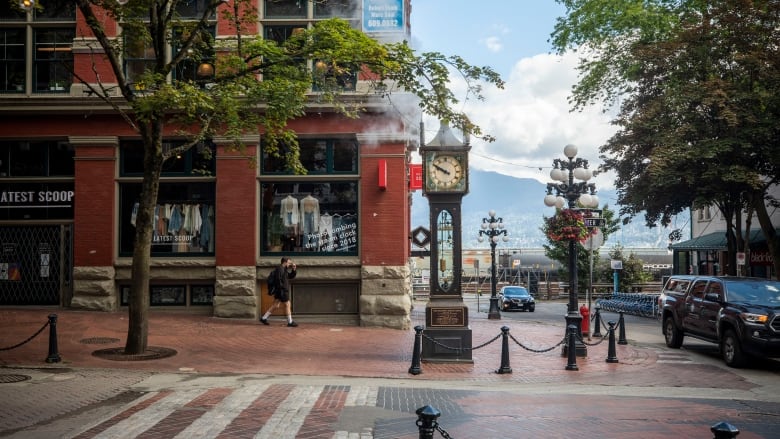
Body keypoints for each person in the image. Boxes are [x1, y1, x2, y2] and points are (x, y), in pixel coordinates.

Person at [260, 257, 298, 327]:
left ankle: (264, 318)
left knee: (276, 305)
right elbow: (278, 280)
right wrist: (282, 290)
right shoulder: (280, 269)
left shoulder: (284, 269)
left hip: (280, 290)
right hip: (282, 290)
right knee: (287, 304)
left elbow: (290, 276)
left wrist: (294, 269)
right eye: (289, 263)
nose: (289, 264)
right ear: (285, 262)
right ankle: (290, 322)